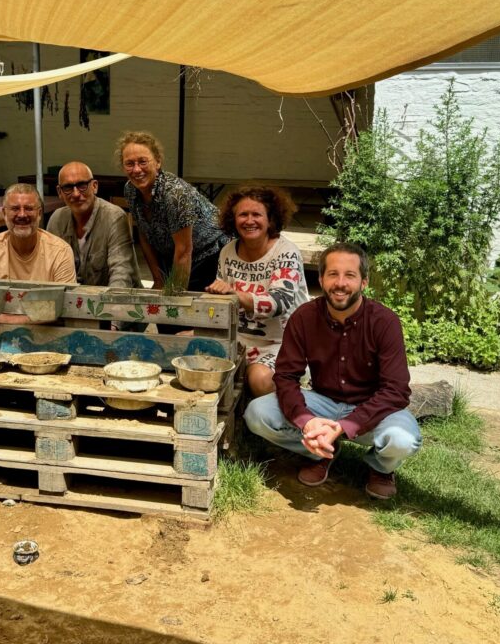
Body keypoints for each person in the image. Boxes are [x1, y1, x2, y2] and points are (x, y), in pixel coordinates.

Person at [243, 242, 421, 500]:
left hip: (373, 407)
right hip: (323, 403)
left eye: (350, 275)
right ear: (321, 279)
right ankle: (321, 450)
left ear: (364, 282)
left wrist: (348, 424)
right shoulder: (304, 317)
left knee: (402, 440)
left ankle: (381, 468)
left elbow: (396, 391)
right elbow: (286, 376)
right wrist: (307, 420)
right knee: (257, 413)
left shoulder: (385, 322)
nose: (340, 283)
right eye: (333, 274)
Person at [205, 184, 310, 397]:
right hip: (238, 339)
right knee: (187, 348)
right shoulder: (227, 251)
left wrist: (234, 294)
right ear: (233, 219)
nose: (249, 220)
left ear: (270, 219)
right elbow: (220, 303)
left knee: (259, 379)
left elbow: (279, 302)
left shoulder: (286, 252)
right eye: (243, 214)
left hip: (283, 342)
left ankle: (293, 404)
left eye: (257, 214)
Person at [115, 131, 228, 292]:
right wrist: (158, 280)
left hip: (209, 254)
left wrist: (173, 296)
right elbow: (144, 234)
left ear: (158, 162)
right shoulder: (130, 190)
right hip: (174, 255)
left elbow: (184, 251)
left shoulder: (174, 194)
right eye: (129, 163)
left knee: (182, 306)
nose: (137, 169)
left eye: (143, 162)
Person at [46, 161, 141, 289]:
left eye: (82, 185)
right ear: (59, 192)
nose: (76, 194)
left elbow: (121, 274)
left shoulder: (114, 217)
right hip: (73, 301)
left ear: (94, 186)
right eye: (68, 187)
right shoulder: (57, 219)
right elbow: (49, 270)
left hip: (111, 301)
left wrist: (108, 306)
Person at [0, 183, 77, 285]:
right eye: (15, 209)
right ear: (4, 213)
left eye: (29, 208)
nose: (22, 215)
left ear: (39, 213)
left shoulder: (60, 252)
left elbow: (65, 300)